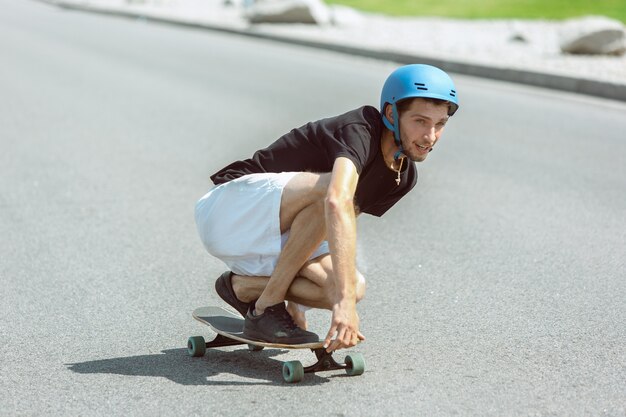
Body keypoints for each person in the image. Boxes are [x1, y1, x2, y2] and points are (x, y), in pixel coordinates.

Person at [195, 64, 459, 352]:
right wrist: (342, 307)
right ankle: (268, 306)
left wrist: (308, 305)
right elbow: (336, 201)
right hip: (229, 211)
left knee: (352, 287)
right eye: (420, 121)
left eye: (440, 124)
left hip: (274, 236)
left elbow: (325, 227)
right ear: (391, 114)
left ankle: (242, 288)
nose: (430, 136)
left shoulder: (403, 177)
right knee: (335, 190)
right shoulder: (360, 129)